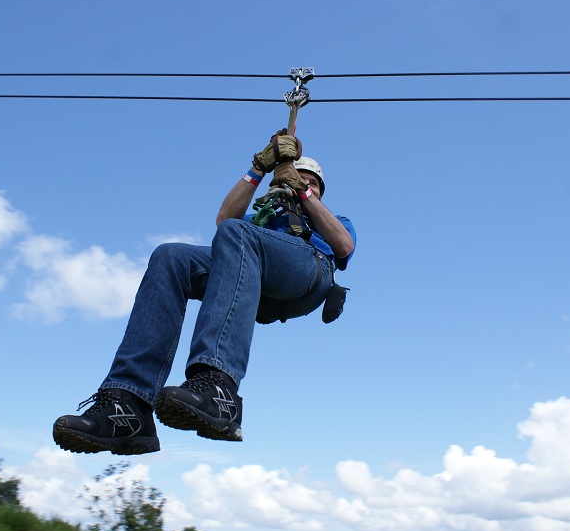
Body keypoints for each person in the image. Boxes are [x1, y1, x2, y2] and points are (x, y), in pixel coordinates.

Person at [52, 130, 356, 455]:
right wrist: (259, 167)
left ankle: (217, 386)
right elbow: (224, 219)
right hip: (250, 270)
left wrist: (303, 192)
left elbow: (343, 246)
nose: (300, 184)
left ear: (320, 190)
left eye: (310, 182)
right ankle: (127, 405)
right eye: (295, 178)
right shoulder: (259, 222)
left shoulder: (336, 219)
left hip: (307, 271)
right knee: (172, 257)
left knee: (238, 233)